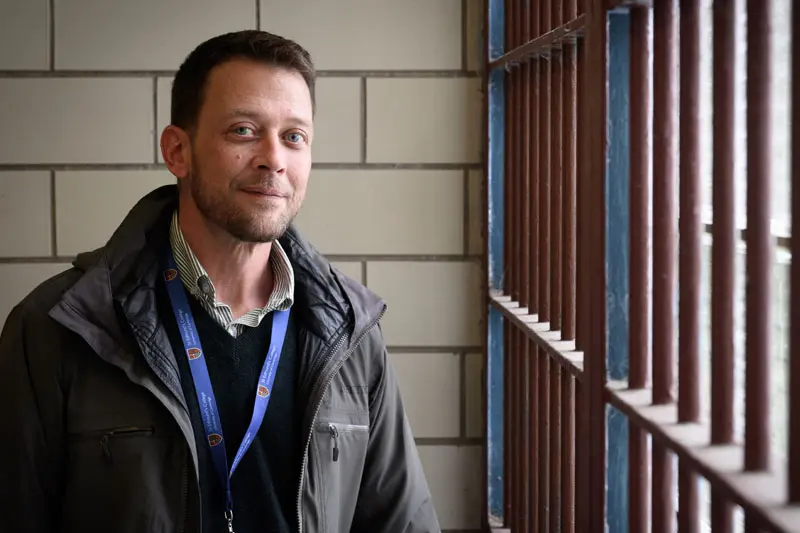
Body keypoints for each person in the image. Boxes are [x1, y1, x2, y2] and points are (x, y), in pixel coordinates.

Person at [0, 30, 440, 533]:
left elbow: (402, 522)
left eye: (294, 136)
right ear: (177, 151)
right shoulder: (61, 327)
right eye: (244, 130)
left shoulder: (351, 332)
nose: (273, 158)